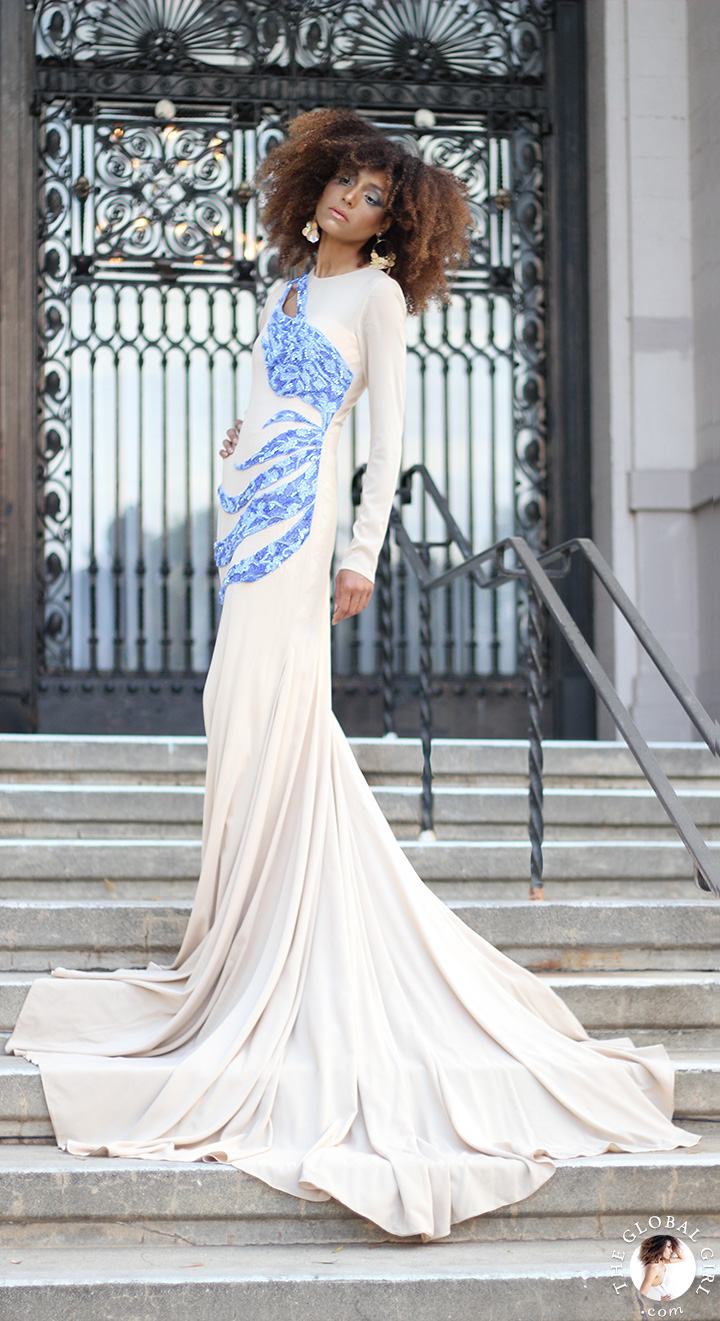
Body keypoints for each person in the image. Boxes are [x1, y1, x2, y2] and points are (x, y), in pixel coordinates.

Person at [6, 108, 699, 1242]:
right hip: (249, 525)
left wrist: (364, 551)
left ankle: (272, 950)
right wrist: (233, 454)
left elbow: (384, 444)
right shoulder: (282, 292)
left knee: (283, 718)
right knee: (239, 719)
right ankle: (232, 941)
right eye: (348, 184)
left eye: (377, 197)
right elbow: (265, 408)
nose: (352, 203)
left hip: (308, 532)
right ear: (320, 183)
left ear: (396, 224)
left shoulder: (376, 301)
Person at [638, 1236, 686, 1300]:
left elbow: (682, 1258)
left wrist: (674, 1244)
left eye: (672, 1247)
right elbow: (642, 1295)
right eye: (669, 1247)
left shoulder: (661, 1261)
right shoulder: (653, 1268)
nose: (671, 1251)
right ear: (659, 1247)